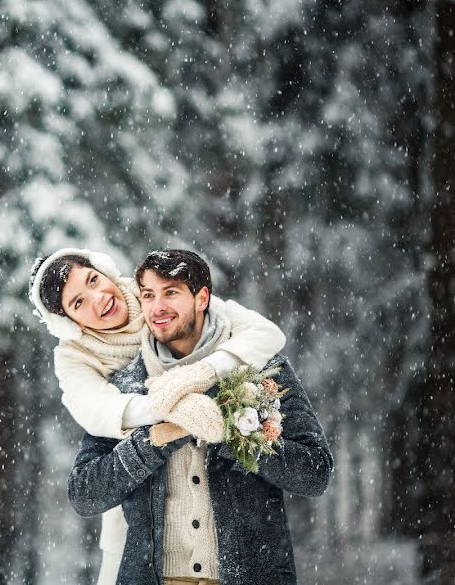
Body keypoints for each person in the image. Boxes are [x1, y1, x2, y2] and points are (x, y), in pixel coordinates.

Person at [67, 249, 333, 585]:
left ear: (202, 297)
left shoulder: (259, 367)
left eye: (171, 292)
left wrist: (235, 432)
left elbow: (316, 472)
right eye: (148, 295)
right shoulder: (125, 386)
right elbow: (84, 493)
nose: (158, 307)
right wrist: (153, 440)